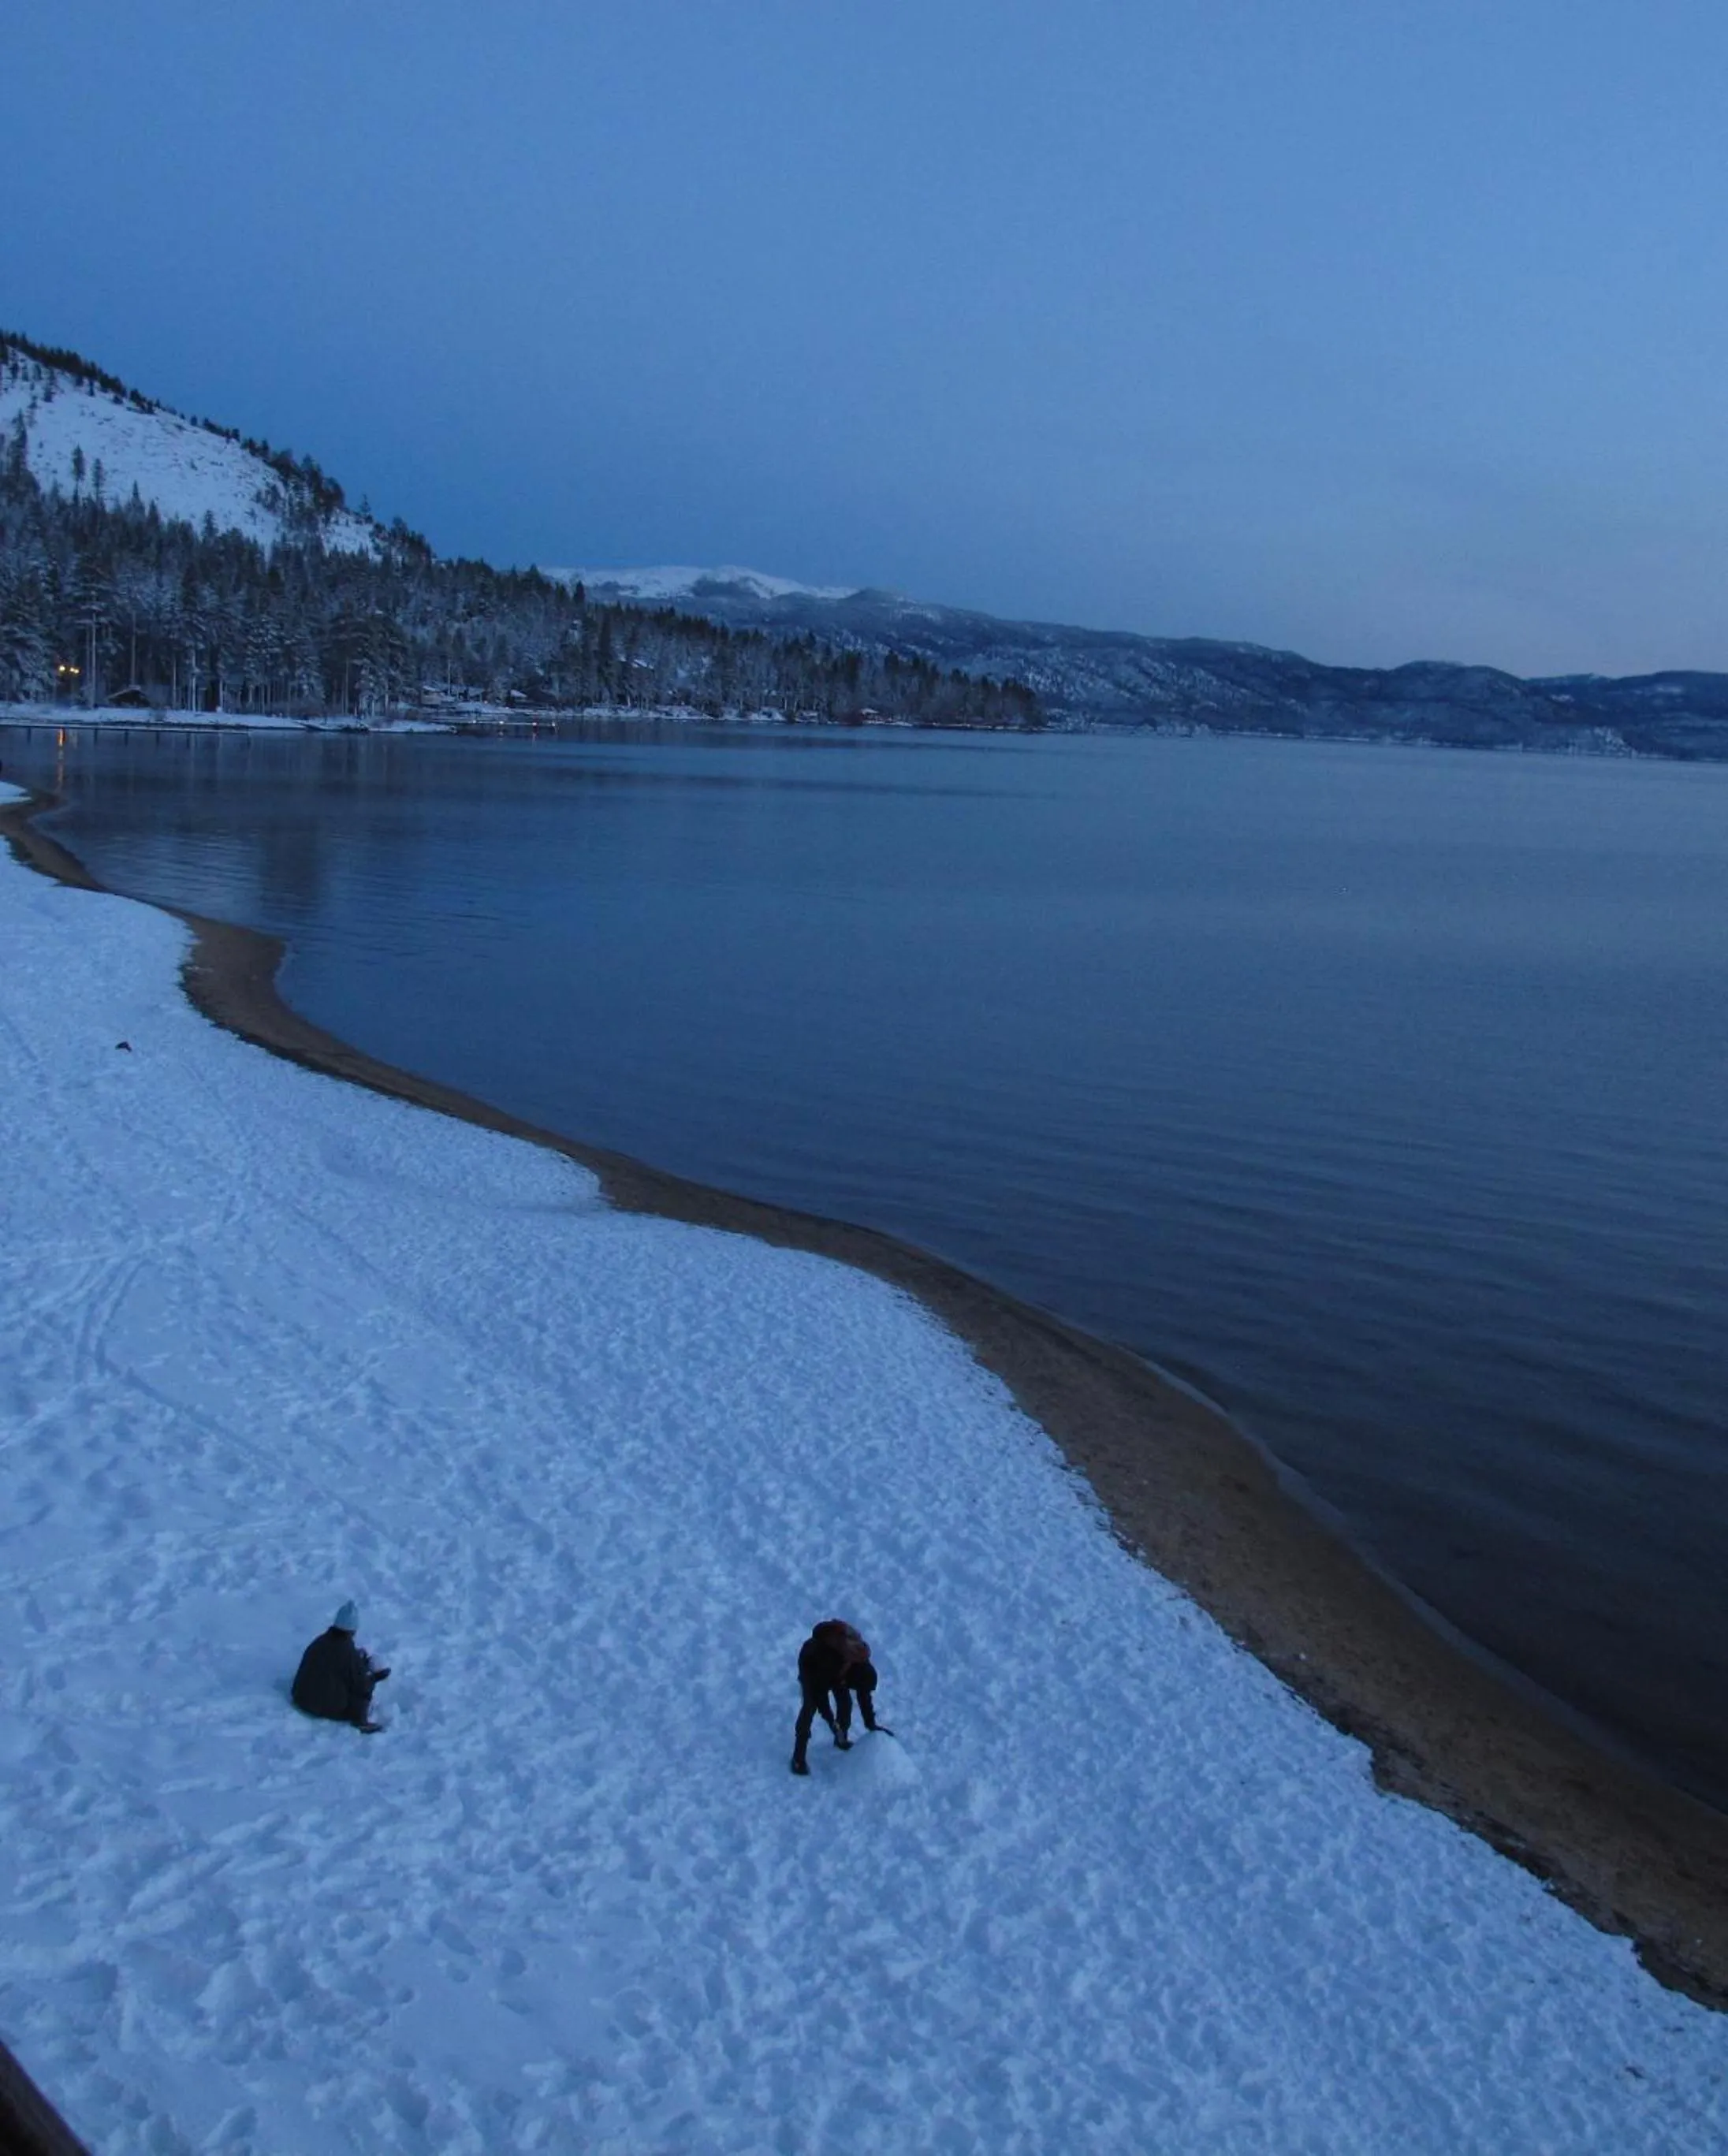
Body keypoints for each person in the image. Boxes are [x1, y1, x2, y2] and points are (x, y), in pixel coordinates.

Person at [791, 1619, 891, 1775]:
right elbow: (821, 1699)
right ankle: (798, 1758)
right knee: (809, 1708)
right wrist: (832, 1722)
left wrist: (871, 1724)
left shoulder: (860, 1662)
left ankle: (841, 1739)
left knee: (845, 1703)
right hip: (812, 1667)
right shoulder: (829, 1661)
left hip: (839, 1670)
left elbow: (864, 1698)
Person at [292, 1601, 390, 1733]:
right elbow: (361, 1685)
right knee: (361, 1689)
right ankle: (361, 1721)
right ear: (353, 1629)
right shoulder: (347, 1652)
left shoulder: (320, 1641)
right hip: (323, 1707)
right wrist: (377, 1677)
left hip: (301, 1697)